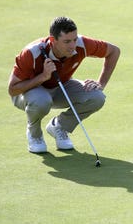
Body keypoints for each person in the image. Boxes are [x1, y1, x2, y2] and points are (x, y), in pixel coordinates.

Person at [8, 17, 120, 153]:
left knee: (97, 97)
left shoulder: (82, 44)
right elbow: (13, 90)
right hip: (28, 94)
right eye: (66, 41)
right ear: (53, 40)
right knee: (41, 100)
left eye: (74, 40)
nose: (72, 46)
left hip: (60, 88)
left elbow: (114, 51)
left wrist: (101, 84)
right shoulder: (31, 52)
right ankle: (34, 134)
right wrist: (43, 77)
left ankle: (59, 127)